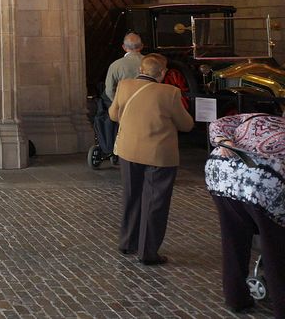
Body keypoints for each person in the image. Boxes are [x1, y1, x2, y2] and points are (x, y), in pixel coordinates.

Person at [109, 53, 194, 265]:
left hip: (128, 151)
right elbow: (186, 124)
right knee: (155, 202)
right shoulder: (170, 93)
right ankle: (147, 252)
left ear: (141, 70)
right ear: (163, 73)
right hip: (158, 155)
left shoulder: (125, 85)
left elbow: (113, 114)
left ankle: (128, 242)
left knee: (132, 196)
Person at [206, 113, 285, 317]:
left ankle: (236, 298)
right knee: (275, 249)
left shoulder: (255, 116)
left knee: (233, 239)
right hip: (264, 183)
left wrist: (224, 141)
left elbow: (217, 123)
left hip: (221, 173)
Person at [105, 32, 143, 102]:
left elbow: (109, 90)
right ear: (141, 46)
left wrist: (118, 104)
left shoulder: (115, 65)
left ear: (124, 47)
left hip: (124, 105)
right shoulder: (151, 62)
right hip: (147, 105)